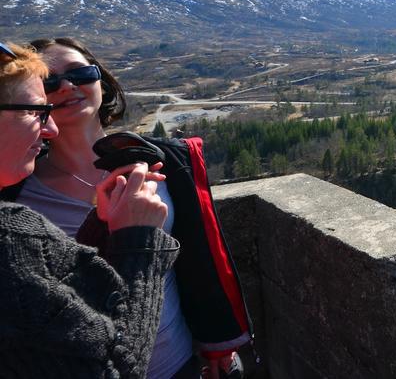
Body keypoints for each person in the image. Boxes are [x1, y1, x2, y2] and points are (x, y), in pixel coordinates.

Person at [9, 38, 251, 379]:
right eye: (49, 81)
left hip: (180, 361)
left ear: (102, 84)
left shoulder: (166, 161)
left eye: (81, 73)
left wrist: (219, 341)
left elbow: (201, 258)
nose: (66, 86)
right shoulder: (16, 192)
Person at [0, 40, 178, 377]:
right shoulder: (11, 230)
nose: (49, 127)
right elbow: (114, 368)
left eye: (80, 73)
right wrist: (138, 239)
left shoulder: (165, 160)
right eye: (38, 108)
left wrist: (100, 225)